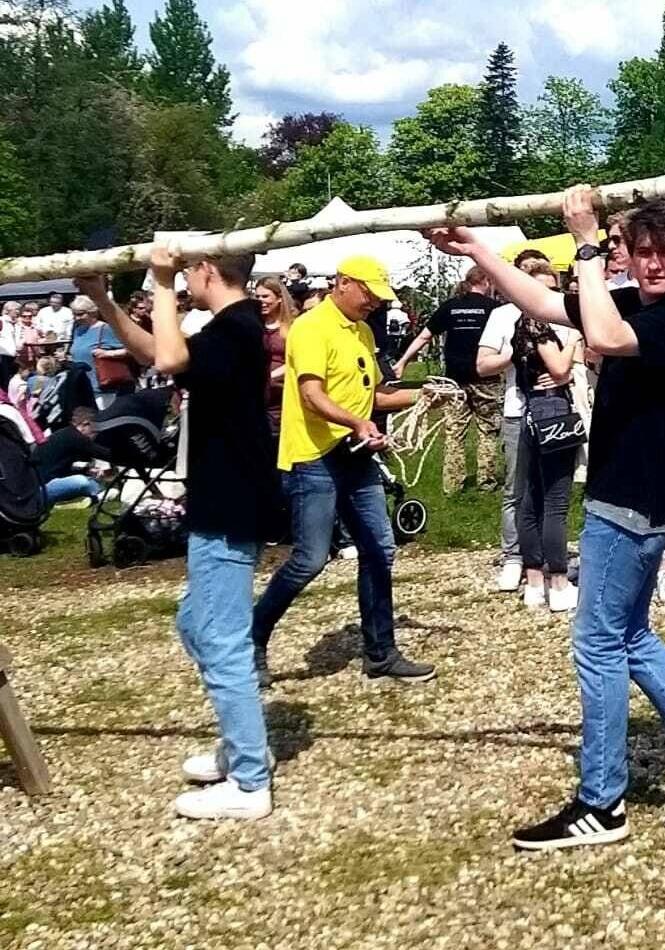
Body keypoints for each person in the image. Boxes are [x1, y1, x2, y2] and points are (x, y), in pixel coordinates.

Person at [430, 191, 665, 850]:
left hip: (635, 495)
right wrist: (479, 252)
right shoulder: (644, 302)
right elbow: (551, 305)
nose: (652, 263)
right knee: (630, 636)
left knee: (598, 643)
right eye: (642, 252)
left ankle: (600, 802)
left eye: (664, 251)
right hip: (636, 491)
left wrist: (583, 240)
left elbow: (604, 337)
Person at [80, 244, 288, 821]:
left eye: (187, 273)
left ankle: (249, 780)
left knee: (221, 641)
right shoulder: (228, 328)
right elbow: (160, 352)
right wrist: (103, 299)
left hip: (231, 503)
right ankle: (243, 745)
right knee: (197, 624)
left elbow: (169, 362)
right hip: (220, 499)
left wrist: (160, 279)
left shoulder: (241, 326)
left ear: (205, 270)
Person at [251, 254, 435, 687]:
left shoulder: (362, 331)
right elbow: (311, 394)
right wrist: (356, 423)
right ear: (344, 283)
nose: (373, 302)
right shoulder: (312, 329)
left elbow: (372, 397)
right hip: (313, 457)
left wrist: (422, 395)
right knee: (310, 559)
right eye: (369, 292)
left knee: (379, 550)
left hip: (355, 456)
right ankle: (252, 639)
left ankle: (381, 653)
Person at [478, 250, 582, 613]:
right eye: (544, 290)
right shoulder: (539, 325)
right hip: (551, 409)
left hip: (529, 413)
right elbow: (558, 369)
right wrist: (571, 344)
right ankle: (556, 579)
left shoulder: (522, 326)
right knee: (553, 502)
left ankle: (535, 578)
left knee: (530, 499)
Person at [396, 267, 501, 495]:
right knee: (488, 430)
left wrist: (403, 361)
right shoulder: (494, 309)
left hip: (454, 381)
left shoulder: (451, 307)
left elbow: (425, 336)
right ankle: (486, 482)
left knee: (454, 432)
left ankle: (452, 485)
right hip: (486, 378)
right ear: (485, 280)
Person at [252, 276, 297, 433]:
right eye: (257, 296)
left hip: (281, 398)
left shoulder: (292, 326)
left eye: (265, 296)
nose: (261, 301)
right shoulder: (253, 324)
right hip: (255, 396)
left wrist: (271, 376)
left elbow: (297, 360)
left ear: (279, 298)